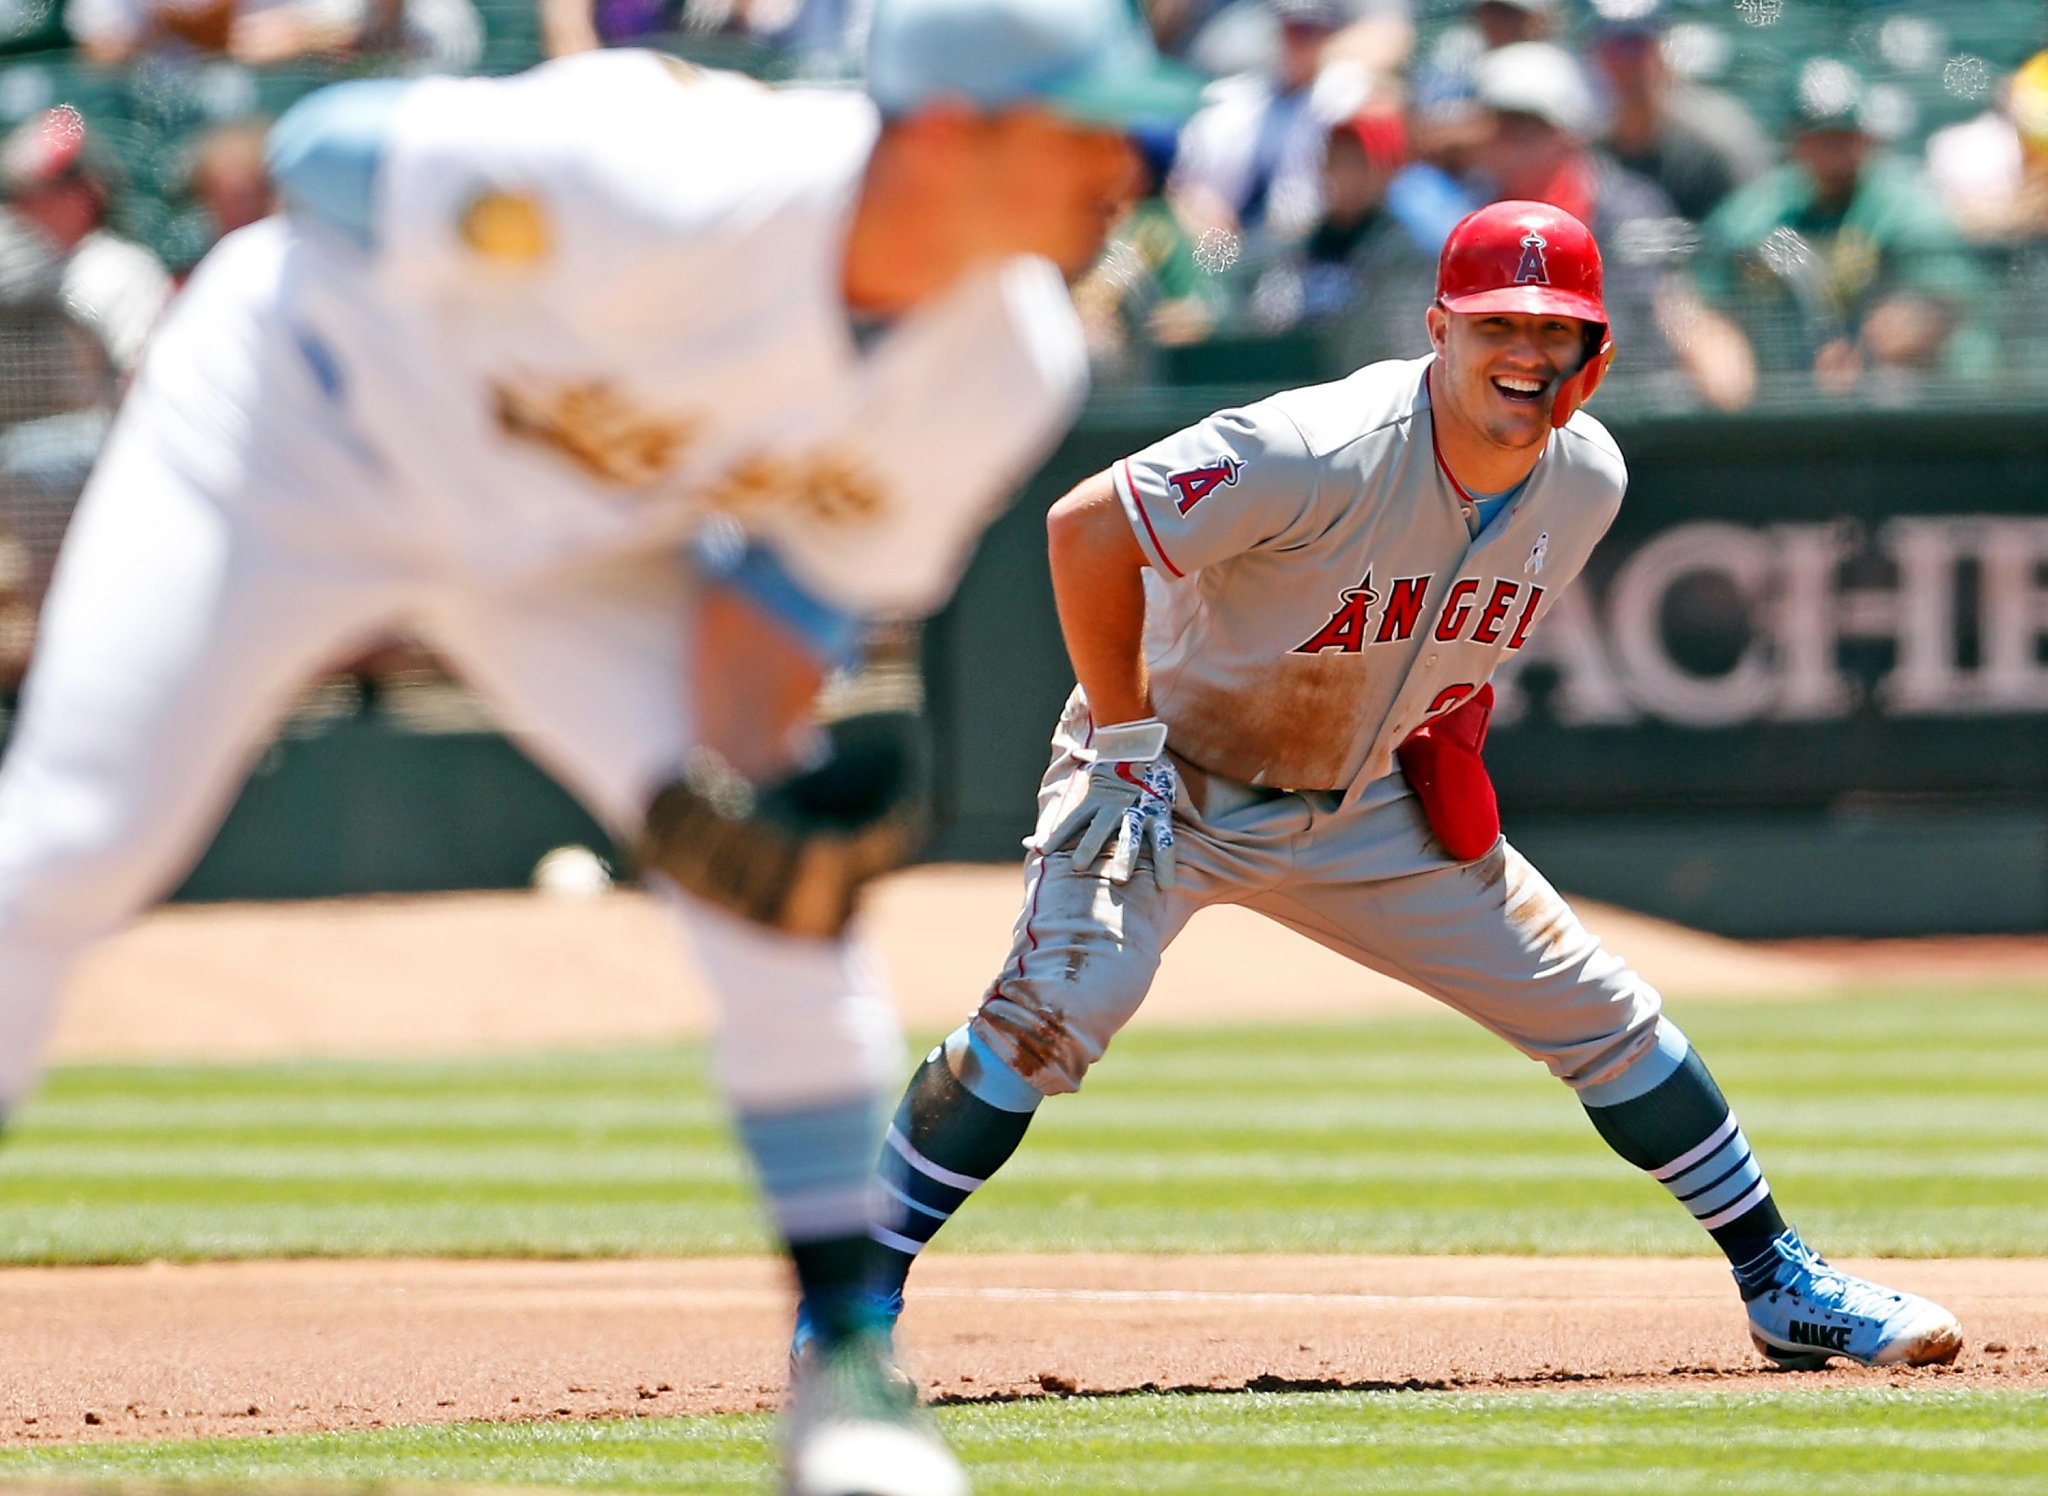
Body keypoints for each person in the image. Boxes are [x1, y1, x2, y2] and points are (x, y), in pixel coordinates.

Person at [0, 1, 1199, 1492]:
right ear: (949, 131)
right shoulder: (667, 173)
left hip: (555, 544)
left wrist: (741, 781)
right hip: (289, 431)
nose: (1131, 168)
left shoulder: (1010, 363)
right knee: (72, 844)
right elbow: (320, 148)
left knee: (783, 903)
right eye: (1091, 128)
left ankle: (842, 1382)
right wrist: (514, 242)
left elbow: (770, 623)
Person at [802, 200, 1966, 1381]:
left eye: (1552, 330)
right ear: (1437, 331)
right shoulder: (1315, 444)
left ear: (1594, 353)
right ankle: (844, 1321)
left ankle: (1780, 1284)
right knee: (1047, 1016)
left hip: (1359, 802)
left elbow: (1457, 646)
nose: (1525, 353)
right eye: (1494, 324)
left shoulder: (1585, 479)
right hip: (1168, 781)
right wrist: (1119, 741)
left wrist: (1440, 742)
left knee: (1599, 1012)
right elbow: (1087, 528)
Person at [1689, 56, 1988, 400]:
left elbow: (1943, 302)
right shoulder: (1765, 208)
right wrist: (1717, 339)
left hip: (1925, 397)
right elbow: (1699, 291)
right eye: (1821, 138)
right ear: (1796, 141)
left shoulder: (1905, 206)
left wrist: (1866, 346)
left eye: (1843, 136)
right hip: (1793, 393)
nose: (1834, 150)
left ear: (1865, 138)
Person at [0, 108, 173, 377]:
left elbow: (140, 379)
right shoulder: (27, 270)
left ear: (88, 192)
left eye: (46, 192)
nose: (29, 205)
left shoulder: (123, 271)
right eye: (24, 194)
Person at [1586, 0, 1769, 226]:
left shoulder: (1716, 142)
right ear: (1594, 57)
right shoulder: (1582, 146)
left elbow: (1744, 239)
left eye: (1638, 47)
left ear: (1665, 53)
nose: (1628, 64)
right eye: (1615, 49)